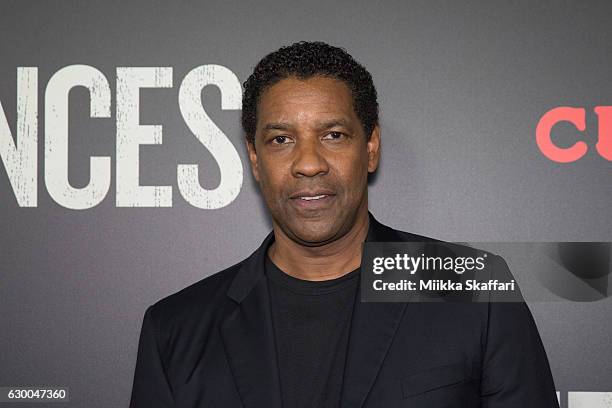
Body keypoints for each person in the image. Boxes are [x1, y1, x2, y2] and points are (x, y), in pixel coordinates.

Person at [130, 41, 559, 408]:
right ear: (255, 160)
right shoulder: (176, 328)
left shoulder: (474, 293)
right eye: (281, 140)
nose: (309, 163)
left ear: (370, 147)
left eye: (333, 134)